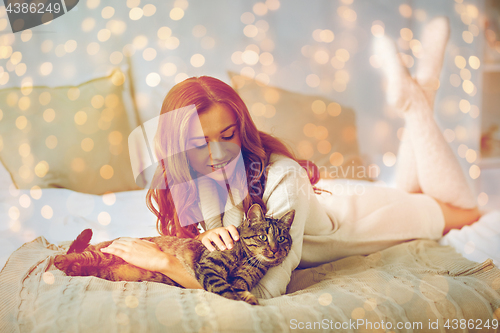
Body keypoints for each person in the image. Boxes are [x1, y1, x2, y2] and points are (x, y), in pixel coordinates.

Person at [101, 17, 480, 299]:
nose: (218, 155)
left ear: (242, 129)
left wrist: (167, 265)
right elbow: (214, 245)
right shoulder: (193, 180)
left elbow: (265, 292)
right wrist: (203, 237)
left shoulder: (283, 177)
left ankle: (414, 104)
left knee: (465, 211)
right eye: (201, 143)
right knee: (408, 185)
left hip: (360, 220)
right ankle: (423, 89)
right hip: (328, 198)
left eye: (228, 135)